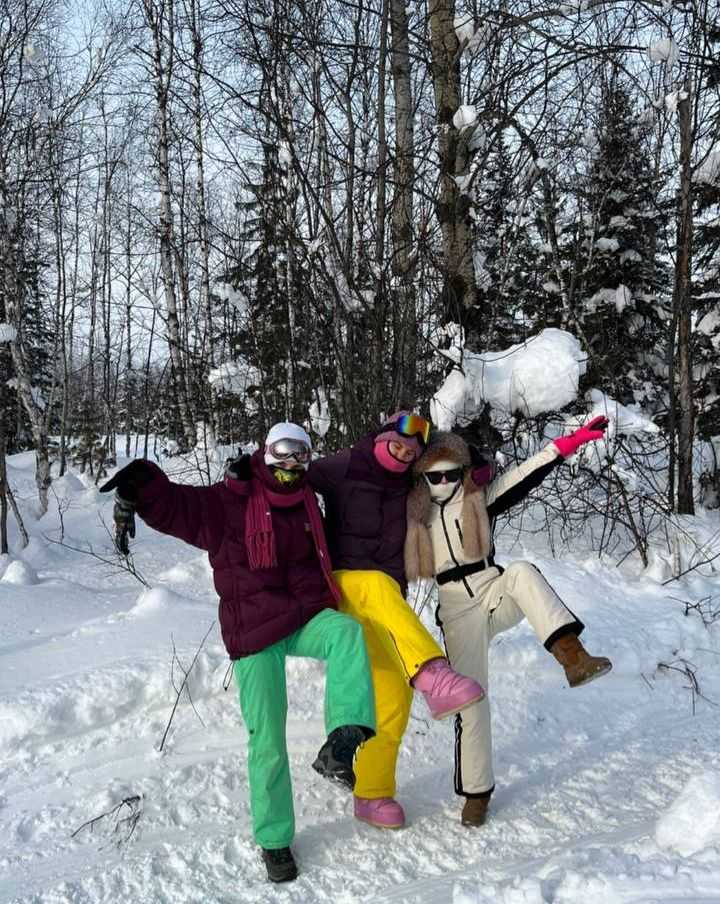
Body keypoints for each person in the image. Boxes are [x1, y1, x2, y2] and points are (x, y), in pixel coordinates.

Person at [100, 423, 376, 883]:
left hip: (304, 616)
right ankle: (274, 840)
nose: (293, 465)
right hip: (254, 631)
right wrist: (137, 487)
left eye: (302, 455)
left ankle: (343, 741)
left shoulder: (309, 501)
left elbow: (359, 491)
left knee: (346, 631)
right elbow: (177, 506)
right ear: (265, 454)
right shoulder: (229, 501)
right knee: (267, 740)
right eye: (284, 453)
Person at [405, 417, 613, 828]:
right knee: (472, 700)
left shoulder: (477, 500)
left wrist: (565, 445)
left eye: (451, 473)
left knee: (520, 571)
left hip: (492, 590)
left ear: (462, 472)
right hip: (456, 612)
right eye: (433, 476)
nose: (443, 481)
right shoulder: (412, 516)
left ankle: (572, 655)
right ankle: (476, 793)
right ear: (421, 479)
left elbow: (525, 475)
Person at [307, 411, 485, 830]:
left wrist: (472, 457)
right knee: (377, 583)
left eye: (411, 451)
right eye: (397, 444)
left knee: (391, 700)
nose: (403, 453)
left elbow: (461, 468)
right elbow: (293, 476)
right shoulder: (347, 464)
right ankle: (433, 672)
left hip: (387, 602)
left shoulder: (410, 483)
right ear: (380, 437)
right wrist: (250, 473)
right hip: (345, 585)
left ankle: (371, 793)